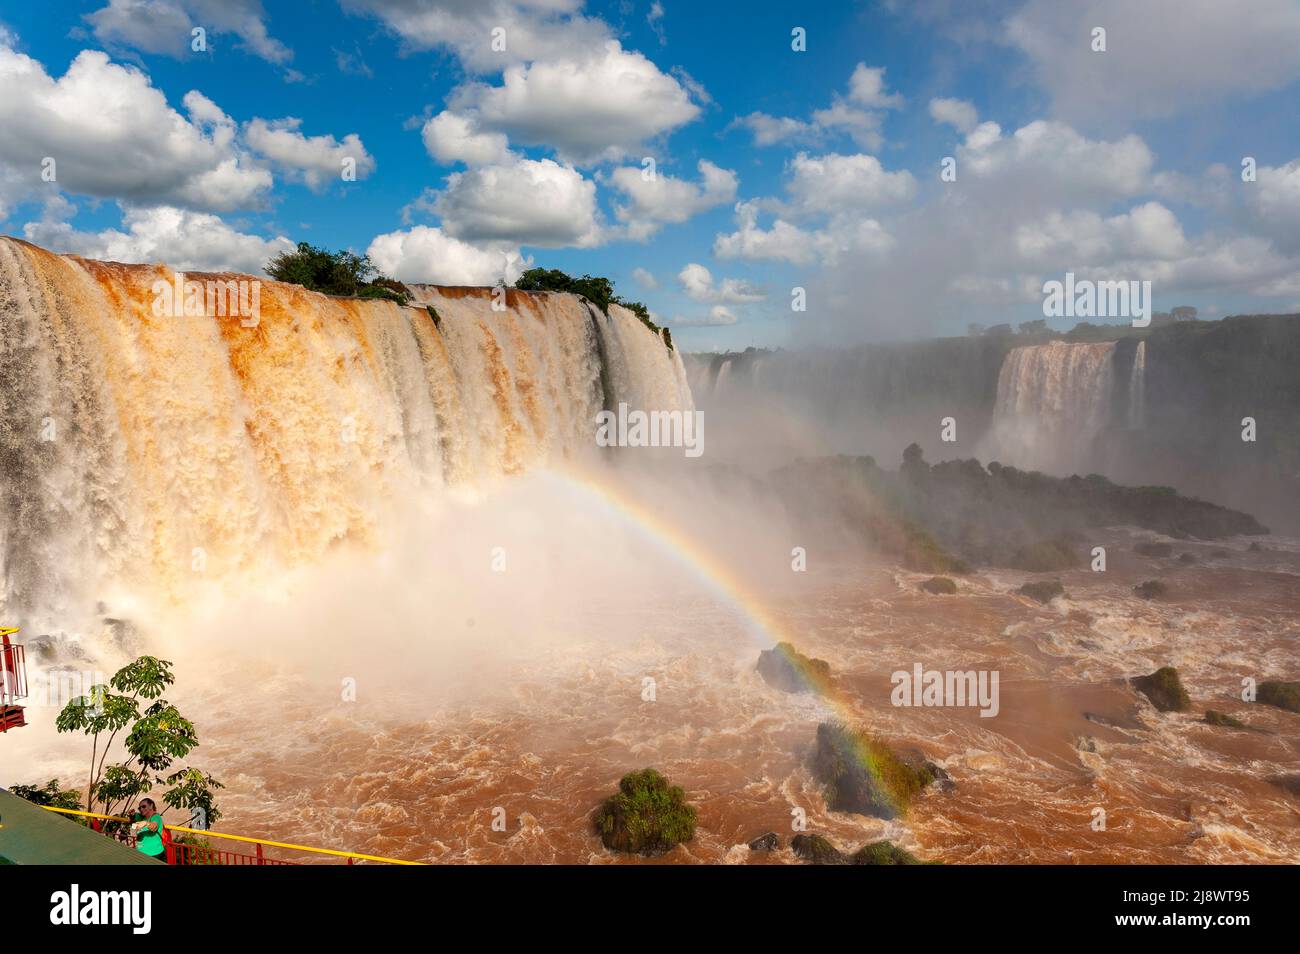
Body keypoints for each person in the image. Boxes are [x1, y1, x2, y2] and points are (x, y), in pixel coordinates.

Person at [130, 798, 167, 862]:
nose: (141, 809)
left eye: (144, 806)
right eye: (139, 808)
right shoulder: (142, 817)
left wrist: (146, 823)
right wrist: (131, 815)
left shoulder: (156, 817)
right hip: (142, 853)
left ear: (151, 805)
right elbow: (133, 819)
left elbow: (154, 827)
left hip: (154, 854)